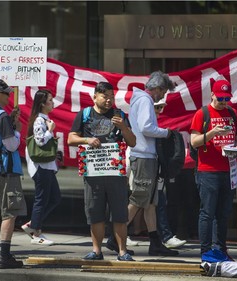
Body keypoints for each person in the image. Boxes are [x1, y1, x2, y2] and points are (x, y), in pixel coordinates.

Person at [67, 81, 137, 261]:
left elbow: (132, 142)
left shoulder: (119, 114)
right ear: (95, 97)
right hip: (93, 174)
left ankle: (122, 251)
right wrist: (86, 140)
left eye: (111, 96)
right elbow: (70, 138)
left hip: (115, 173)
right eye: (105, 96)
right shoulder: (84, 115)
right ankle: (96, 251)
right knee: (94, 213)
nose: (109, 100)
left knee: (119, 214)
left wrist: (123, 127)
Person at [190, 79, 237, 261]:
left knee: (223, 212)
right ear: (212, 94)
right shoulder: (202, 113)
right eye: (220, 97)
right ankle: (206, 252)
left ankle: (221, 249)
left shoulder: (232, 112)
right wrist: (213, 133)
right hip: (208, 171)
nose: (223, 101)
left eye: (226, 98)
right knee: (207, 212)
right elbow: (194, 142)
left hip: (228, 170)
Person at [127, 71, 178, 256]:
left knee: (150, 203)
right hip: (143, 156)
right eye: (163, 92)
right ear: (157, 88)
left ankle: (155, 242)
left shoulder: (141, 99)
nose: (163, 96)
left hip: (145, 155)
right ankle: (114, 237)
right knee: (139, 199)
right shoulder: (145, 100)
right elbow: (146, 128)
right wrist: (166, 132)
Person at [0, 79, 27, 269]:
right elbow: (11, 145)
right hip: (5, 170)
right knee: (9, 213)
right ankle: (5, 256)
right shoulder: (1, 116)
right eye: (6, 93)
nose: (9, 96)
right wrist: (16, 130)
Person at [22, 89, 61, 246]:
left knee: (54, 198)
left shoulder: (44, 119)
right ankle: (36, 233)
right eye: (50, 100)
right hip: (41, 166)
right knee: (41, 199)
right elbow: (39, 141)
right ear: (42, 104)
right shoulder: (39, 120)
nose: (53, 103)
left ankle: (33, 224)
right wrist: (50, 132)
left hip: (47, 166)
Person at [153, 100, 186, 249]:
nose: (159, 111)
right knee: (137, 204)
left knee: (156, 203)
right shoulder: (144, 119)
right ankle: (118, 235)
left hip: (155, 168)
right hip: (141, 166)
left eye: (161, 107)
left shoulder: (154, 120)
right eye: (157, 107)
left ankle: (161, 239)